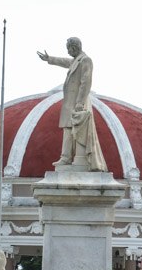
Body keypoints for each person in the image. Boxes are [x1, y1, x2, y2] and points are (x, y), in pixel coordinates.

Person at [37, 37, 107, 172]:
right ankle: (65, 157)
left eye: (68, 49)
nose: (68, 52)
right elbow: (65, 62)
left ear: (74, 47)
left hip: (78, 101)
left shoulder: (85, 60)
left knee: (77, 128)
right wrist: (49, 59)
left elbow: (86, 82)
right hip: (70, 101)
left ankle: (78, 158)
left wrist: (80, 103)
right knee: (67, 128)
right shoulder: (76, 60)